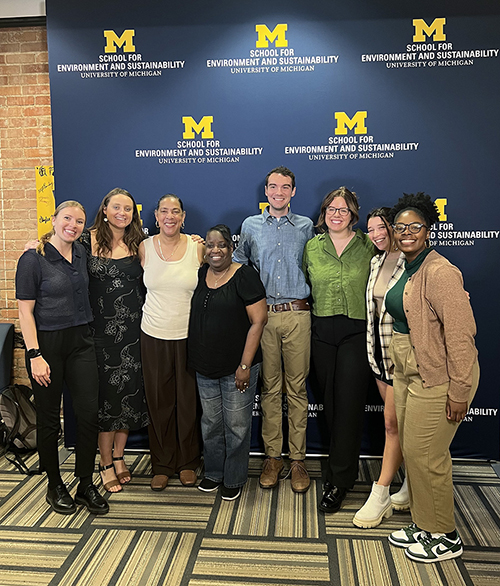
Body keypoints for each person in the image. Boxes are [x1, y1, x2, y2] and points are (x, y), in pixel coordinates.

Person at [385, 193, 479, 563]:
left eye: (415, 227)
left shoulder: (440, 272)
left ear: (429, 231)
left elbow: (460, 334)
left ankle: (445, 534)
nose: (407, 232)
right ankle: (424, 524)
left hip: (439, 374)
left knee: (428, 455)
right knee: (413, 452)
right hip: (410, 370)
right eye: (401, 227)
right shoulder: (407, 266)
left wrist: (459, 389)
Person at [16, 201, 108, 515]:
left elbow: (115, 234)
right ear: (54, 220)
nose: (73, 224)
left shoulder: (81, 251)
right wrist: (35, 355)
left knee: (88, 414)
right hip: (46, 345)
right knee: (49, 420)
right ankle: (54, 484)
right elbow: (24, 312)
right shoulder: (33, 259)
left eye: (79, 221)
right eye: (67, 218)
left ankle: (84, 482)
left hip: (81, 340)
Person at [233, 166, 315, 493]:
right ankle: (272, 457)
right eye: (272, 187)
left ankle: (297, 460)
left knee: (296, 390)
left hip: (298, 315)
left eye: (285, 187)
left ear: (293, 191)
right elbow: (239, 266)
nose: (278, 192)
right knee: (269, 389)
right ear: (265, 191)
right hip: (263, 317)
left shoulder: (307, 227)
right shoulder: (251, 226)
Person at [303, 187, 374, 513]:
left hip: (355, 333)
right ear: (324, 212)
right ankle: (337, 468)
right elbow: (306, 283)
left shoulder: (368, 245)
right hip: (321, 332)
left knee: (348, 404)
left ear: (353, 214)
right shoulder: (312, 247)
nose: (336, 214)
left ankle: (340, 481)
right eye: (331, 208)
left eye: (343, 210)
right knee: (330, 404)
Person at [188, 225, 267, 500]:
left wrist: (245, 366)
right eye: (210, 245)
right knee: (210, 424)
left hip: (238, 366)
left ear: (231, 248)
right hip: (204, 364)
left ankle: (233, 477)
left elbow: (259, 321)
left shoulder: (245, 275)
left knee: (237, 425)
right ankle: (213, 473)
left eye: (221, 245)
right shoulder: (200, 273)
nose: (216, 250)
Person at [80, 188, 149, 493]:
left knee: (129, 396)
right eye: (117, 207)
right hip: (99, 336)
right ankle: (105, 463)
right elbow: (56, 255)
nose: (123, 213)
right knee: (107, 401)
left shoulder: (138, 244)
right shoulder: (85, 241)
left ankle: (120, 457)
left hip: (134, 334)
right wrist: (36, 246)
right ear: (104, 209)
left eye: (129, 209)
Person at [140, 194, 205, 491]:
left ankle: (188, 462)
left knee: (188, 402)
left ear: (183, 216)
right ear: (155, 216)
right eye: (164, 211)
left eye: (175, 211)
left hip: (189, 336)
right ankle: (163, 463)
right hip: (153, 333)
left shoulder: (197, 247)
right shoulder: (143, 247)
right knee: (159, 401)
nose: (169, 216)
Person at [353, 208, 408, 528]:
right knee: (400, 426)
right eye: (370, 230)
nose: (375, 235)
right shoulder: (375, 261)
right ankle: (412, 486)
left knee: (392, 425)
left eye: (380, 228)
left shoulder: (411, 261)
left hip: (402, 358)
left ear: (393, 227)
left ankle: (381, 492)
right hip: (378, 356)